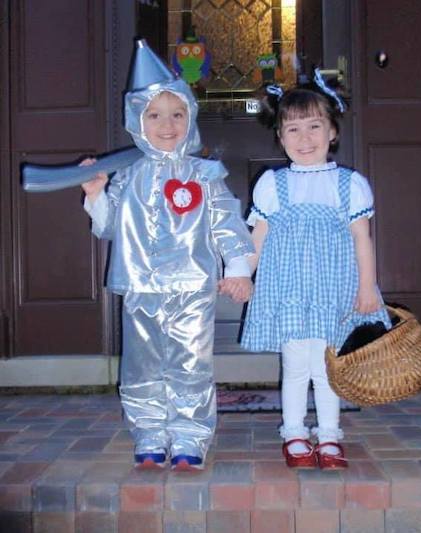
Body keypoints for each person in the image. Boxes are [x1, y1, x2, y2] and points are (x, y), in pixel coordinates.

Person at [81, 40, 254, 471]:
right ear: (137, 121)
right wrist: (96, 194)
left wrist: (238, 268)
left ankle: (190, 436)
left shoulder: (205, 174)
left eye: (177, 113)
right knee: (142, 363)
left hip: (193, 286)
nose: (167, 124)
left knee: (190, 363)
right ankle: (149, 432)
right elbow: (106, 226)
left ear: (190, 118)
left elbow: (227, 224)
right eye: (154, 115)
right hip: (140, 285)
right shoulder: (126, 175)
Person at [239, 71, 392, 469]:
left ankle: (328, 436)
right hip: (289, 289)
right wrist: (243, 273)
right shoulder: (273, 185)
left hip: (333, 292)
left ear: (333, 132)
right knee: (295, 365)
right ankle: (293, 433)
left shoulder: (350, 184)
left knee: (328, 367)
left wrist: (367, 287)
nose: (304, 139)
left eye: (314, 127)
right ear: (280, 136)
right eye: (293, 129)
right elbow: (258, 238)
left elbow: (362, 239)